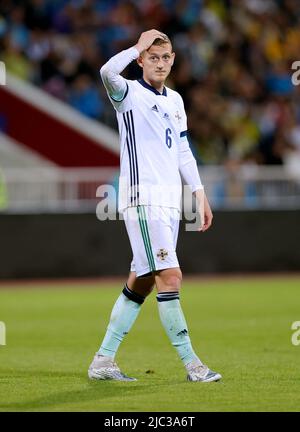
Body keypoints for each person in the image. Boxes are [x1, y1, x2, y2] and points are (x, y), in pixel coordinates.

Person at [88, 30, 221, 383]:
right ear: (141, 61)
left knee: (143, 281)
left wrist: (199, 192)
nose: (160, 63)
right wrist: (135, 45)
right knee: (170, 275)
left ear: (173, 60)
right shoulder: (127, 93)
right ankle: (193, 364)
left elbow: (181, 150)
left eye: (165, 58)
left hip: (169, 202)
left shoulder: (175, 101)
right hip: (141, 198)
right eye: (152, 57)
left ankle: (103, 360)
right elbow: (106, 72)